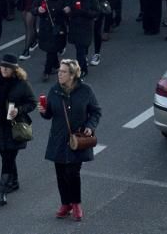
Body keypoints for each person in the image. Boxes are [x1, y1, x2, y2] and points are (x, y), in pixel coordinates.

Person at [38, 58, 101, 222]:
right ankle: (65, 204)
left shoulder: (86, 90)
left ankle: (76, 204)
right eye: (59, 71)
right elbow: (49, 115)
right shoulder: (54, 90)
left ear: (72, 75)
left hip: (77, 139)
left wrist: (90, 126)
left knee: (72, 172)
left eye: (63, 71)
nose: (59, 74)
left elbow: (96, 111)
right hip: (58, 139)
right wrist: (43, 111)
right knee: (60, 173)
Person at [0, 53, 36, 205]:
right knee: (6, 156)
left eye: (7, 68)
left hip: (14, 127)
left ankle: (2, 191)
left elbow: (32, 102)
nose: (4, 69)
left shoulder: (22, 84)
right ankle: (14, 181)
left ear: (14, 70)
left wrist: (18, 110)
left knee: (8, 158)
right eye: (2, 66)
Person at [35, 0, 70, 82]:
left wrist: (68, 10)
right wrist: (39, 10)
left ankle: (48, 69)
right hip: (46, 27)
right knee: (51, 49)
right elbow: (34, 8)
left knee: (53, 48)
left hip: (59, 25)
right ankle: (50, 68)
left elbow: (69, 7)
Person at [67, 0, 99, 77]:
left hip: (86, 25)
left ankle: (82, 68)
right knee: (79, 49)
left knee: (82, 47)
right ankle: (82, 68)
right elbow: (69, 6)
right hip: (75, 24)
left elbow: (96, 11)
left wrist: (84, 12)